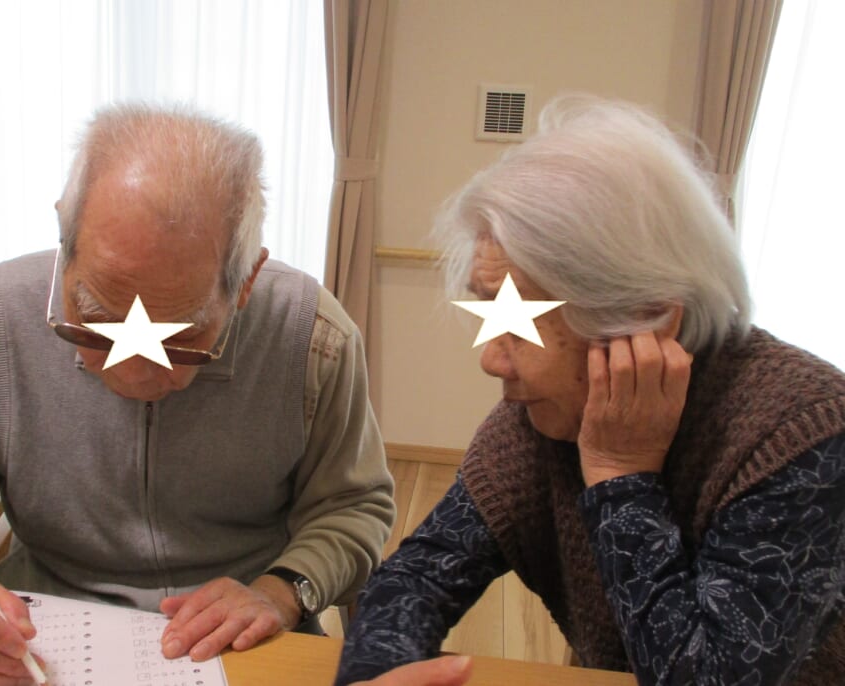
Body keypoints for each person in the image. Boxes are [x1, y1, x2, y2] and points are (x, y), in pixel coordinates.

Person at [0, 103, 394, 686]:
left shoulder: (312, 340)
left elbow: (353, 507)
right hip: (41, 631)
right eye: (95, 321)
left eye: (182, 337)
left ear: (246, 280)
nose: (135, 372)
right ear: (64, 243)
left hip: (246, 639)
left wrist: (284, 589)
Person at [335, 96, 845, 685]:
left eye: (520, 317)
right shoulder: (546, 419)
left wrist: (620, 471)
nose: (491, 359)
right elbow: (416, 578)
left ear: (646, 318)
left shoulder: (804, 432)